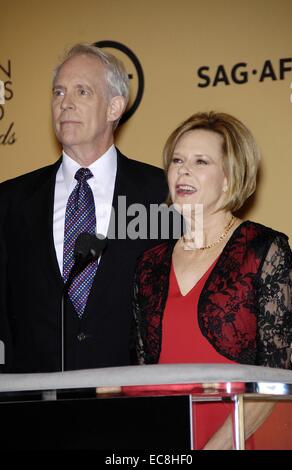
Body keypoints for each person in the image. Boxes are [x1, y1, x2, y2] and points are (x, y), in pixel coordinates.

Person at [132, 111, 292, 449]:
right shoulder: (149, 264)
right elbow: (141, 377)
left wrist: (217, 446)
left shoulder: (263, 250)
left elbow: (281, 375)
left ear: (229, 178)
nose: (183, 169)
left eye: (201, 161)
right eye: (177, 160)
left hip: (247, 435)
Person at [0, 43, 169, 373]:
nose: (66, 103)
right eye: (59, 92)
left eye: (82, 91)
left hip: (137, 403)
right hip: (34, 409)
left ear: (114, 108)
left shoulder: (162, 194)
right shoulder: (10, 201)